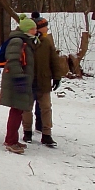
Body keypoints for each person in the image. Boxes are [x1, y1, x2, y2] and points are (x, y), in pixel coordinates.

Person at [25, 17, 68, 147]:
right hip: (28, 80)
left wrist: (57, 76)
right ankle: (27, 132)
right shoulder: (25, 41)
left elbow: (54, 60)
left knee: (46, 108)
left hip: (43, 80)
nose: (47, 28)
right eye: (44, 26)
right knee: (27, 108)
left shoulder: (47, 42)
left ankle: (47, 134)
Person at [0, 15, 38, 154]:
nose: (36, 31)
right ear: (27, 29)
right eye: (33, 28)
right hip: (17, 81)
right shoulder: (17, 41)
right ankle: (10, 141)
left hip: (22, 80)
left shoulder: (26, 41)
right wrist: (20, 77)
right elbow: (13, 60)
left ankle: (12, 139)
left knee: (18, 110)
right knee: (16, 110)